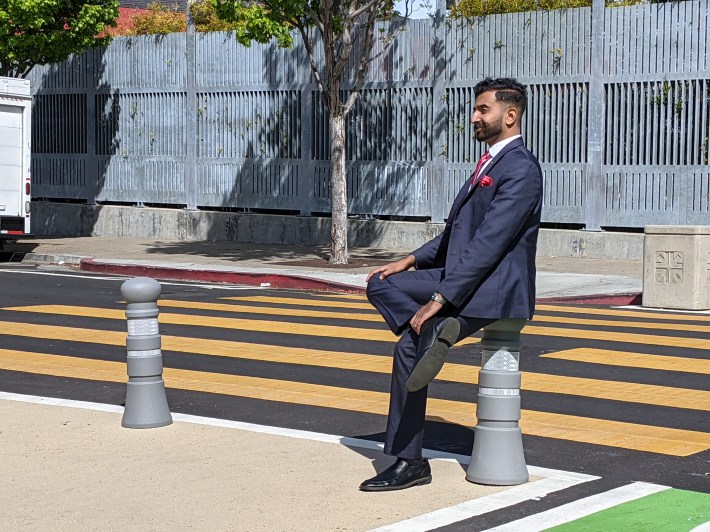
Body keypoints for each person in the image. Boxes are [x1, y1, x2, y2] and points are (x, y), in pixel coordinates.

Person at [359, 77, 543, 492]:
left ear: (510, 115)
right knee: (378, 283)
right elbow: (456, 234)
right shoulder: (487, 164)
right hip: (459, 277)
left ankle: (409, 462)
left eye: (483, 109)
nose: (474, 116)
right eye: (475, 109)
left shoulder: (521, 169)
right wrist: (408, 261)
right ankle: (432, 331)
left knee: (407, 346)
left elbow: (488, 243)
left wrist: (440, 298)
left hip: (491, 289)